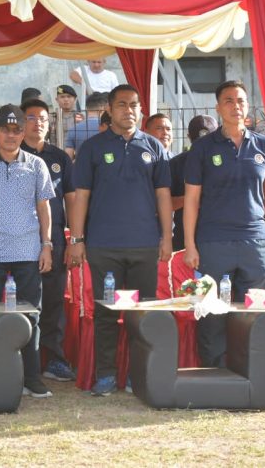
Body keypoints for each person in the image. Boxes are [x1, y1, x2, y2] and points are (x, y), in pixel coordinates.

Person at [70, 84, 172, 396]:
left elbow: (164, 196)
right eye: (122, 105)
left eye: (134, 105)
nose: (129, 110)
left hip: (145, 245)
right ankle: (106, 375)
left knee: (142, 314)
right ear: (110, 110)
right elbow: (81, 196)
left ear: (141, 110)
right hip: (103, 246)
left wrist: (167, 238)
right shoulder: (92, 147)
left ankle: (137, 375)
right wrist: (77, 239)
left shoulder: (154, 147)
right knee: (106, 313)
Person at [183, 80, 265, 367]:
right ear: (217, 107)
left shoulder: (264, 145)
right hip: (213, 241)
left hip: (256, 240)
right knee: (212, 310)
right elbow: (191, 200)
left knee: (251, 310)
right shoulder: (203, 148)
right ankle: (213, 371)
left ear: (247, 106)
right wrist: (190, 244)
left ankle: (248, 368)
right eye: (228, 100)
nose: (235, 106)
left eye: (240, 100)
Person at [0, 104, 55, 397]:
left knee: (30, 316)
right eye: (6, 129)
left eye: (17, 130)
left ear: (24, 132)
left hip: (28, 251)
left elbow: (44, 208)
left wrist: (47, 246)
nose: (11, 135)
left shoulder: (36, 165)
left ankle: (31, 378)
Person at [20, 99, 76, 382]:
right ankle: (22, 360)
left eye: (43, 118)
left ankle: (55, 359)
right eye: (31, 117)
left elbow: (72, 199)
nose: (38, 122)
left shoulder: (59, 158)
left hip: (54, 241)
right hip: (20, 243)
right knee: (24, 303)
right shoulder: (12, 154)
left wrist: (75, 239)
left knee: (54, 301)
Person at [170, 115, 217, 251]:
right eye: (199, 142)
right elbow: (165, 203)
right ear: (189, 137)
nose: (203, 147)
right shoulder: (176, 164)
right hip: (184, 239)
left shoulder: (228, 161)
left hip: (218, 237)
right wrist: (191, 199)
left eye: (208, 141)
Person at [65, 92, 108, 160]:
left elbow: (68, 158)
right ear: (103, 108)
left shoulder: (73, 129)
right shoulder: (109, 128)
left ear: (87, 108)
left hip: (82, 167)